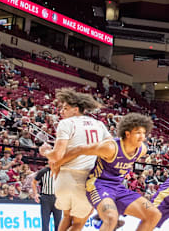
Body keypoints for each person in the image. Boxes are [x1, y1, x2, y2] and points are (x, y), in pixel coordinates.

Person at [50, 113, 161, 231]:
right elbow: (79, 149)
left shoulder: (141, 150)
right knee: (111, 218)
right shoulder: (110, 148)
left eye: (144, 133)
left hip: (118, 187)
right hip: (98, 185)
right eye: (138, 133)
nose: (142, 137)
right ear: (127, 133)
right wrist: (57, 163)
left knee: (154, 214)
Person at [40, 88, 110, 231]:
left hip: (64, 179)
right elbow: (111, 149)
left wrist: (45, 151)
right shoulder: (99, 124)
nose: (61, 112)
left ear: (76, 109)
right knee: (78, 223)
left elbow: (56, 156)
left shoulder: (66, 123)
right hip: (86, 179)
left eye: (65, 108)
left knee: (66, 216)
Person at [32, 165, 62, 231]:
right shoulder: (43, 171)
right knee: (45, 222)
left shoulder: (61, 171)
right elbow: (34, 182)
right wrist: (36, 194)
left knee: (58, 222)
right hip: (45, 198)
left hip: (57, 198)